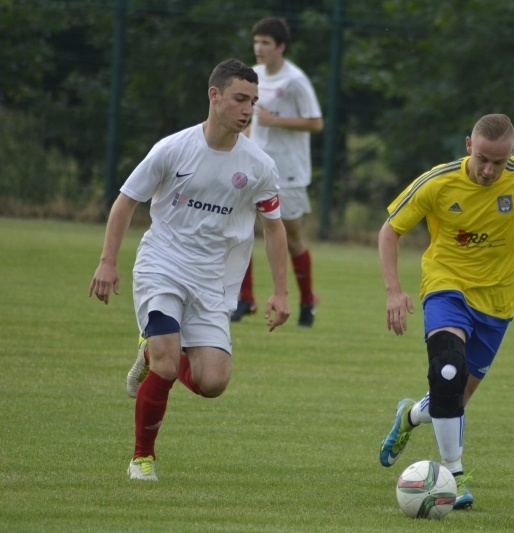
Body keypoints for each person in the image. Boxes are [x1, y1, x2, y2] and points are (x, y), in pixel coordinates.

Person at [378, 113, 514, 509]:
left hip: (497, 304)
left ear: (512, 154)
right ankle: (455, 479)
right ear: (468, 145)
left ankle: (410, 415)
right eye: (482, 158)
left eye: (500, 162)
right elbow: (390, 229)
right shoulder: (439, 182)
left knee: (453, 398)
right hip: (446, 287)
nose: (489, 169)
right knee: (446, 370)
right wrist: (394, 291)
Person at [88, 58, 291, 481]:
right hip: (162, 264)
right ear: (213, 95)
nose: (247, 110)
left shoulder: (259, 166)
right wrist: (108, 262)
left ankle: (153, 350)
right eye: (239, 99)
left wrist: (281, 291)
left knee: (213, 382)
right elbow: (126, 201)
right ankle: (142, 458)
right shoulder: (173, 149)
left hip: (212, 278)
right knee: (166, 365)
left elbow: (274, 229)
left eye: (252, 102)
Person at [231, 16, 324, 326]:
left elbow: (316, 123)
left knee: (292, 238)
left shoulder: (295, 80)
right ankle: (245, 299)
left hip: (289, 173)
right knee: (240, 230)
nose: (259, 48)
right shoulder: (253, 76)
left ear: (280, 47)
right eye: (256, 42)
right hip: (254, 168)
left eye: (265, 43)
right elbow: (251, 123)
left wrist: (275, 120)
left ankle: (307, 300)